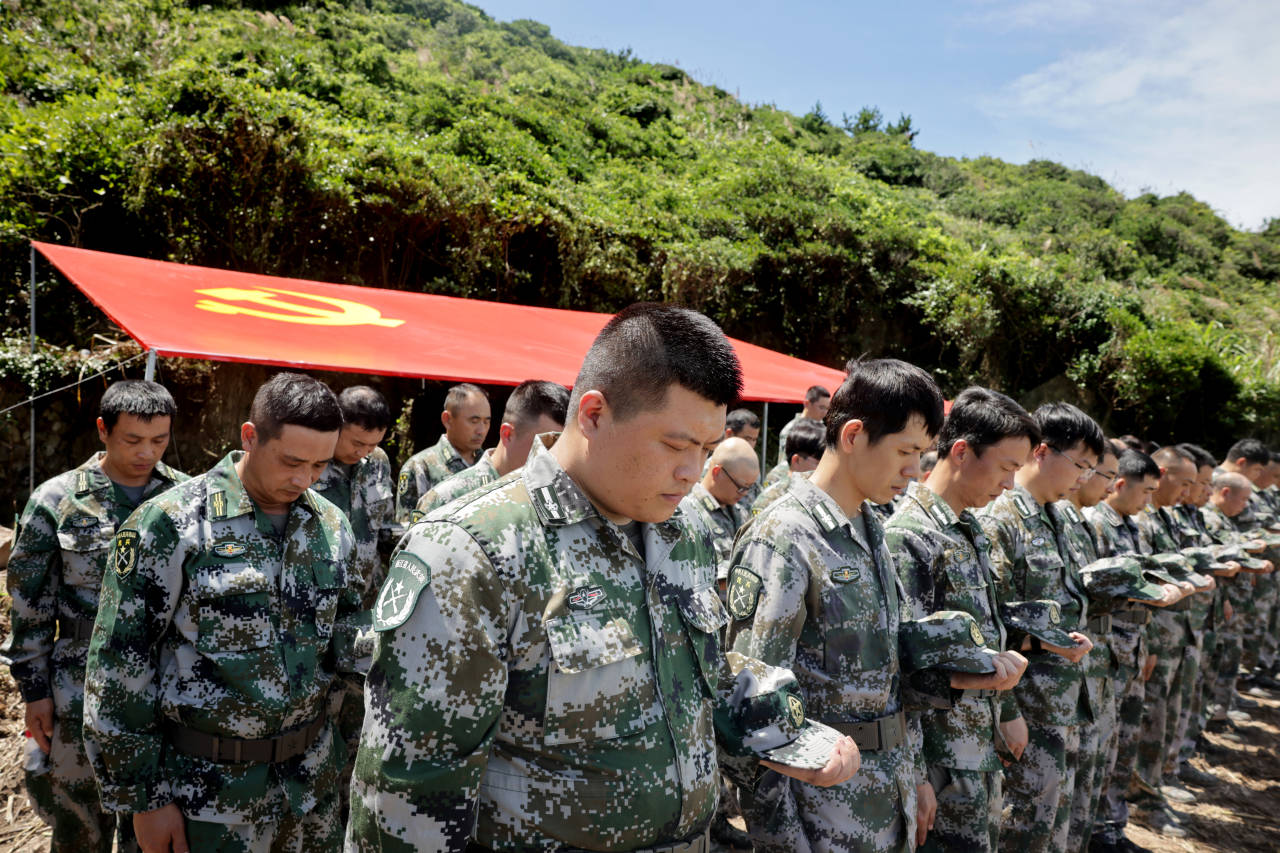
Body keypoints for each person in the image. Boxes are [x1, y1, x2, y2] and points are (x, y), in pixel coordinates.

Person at [348, 303, 859, 852]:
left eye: (706, 450)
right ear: (593, 415)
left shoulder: (680, 527)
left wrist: (789, 732)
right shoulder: (473, 550)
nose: (692, 471)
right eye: (676, 445)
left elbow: (696, 676)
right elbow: (409, 796)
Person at [727, 360, 1012, 852]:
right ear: (854, 435)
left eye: (921, 454)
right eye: (905, 451)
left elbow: (889, 674)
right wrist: (781, 842)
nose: (914, 469)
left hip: (887, 794)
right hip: (821, 814)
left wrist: (915, 774)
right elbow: (754, 711)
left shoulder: (869, 528)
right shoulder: (785, 537)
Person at [83, 372, 364, 852]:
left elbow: (346, 641)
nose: (304, 479)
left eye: (320, 465)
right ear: (250, 437)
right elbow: (118, 665)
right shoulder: (171, 523)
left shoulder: (331, 525)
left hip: (307, 793)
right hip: (202, 799)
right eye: (291, 462)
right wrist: (144, 799)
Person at [1, 380, 187, 853]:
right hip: (77, 687)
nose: (146, 453)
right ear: (103, 430)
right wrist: (35, 692)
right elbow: (29, 604)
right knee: (79, 825)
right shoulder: (57, 500)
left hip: (165, 686)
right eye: (132, 440)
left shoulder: (187, 498)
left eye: (159, 440)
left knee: (153, 823)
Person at [883, 386, 1038, 852]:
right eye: (1007, 467)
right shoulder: (910, 536)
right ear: (962, 452)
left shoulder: (968, 528)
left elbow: (983, 637)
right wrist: (915, 775)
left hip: (974, 748)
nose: (1010, 484)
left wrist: (1006, 710)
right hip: (939, 761)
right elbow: (899, 669)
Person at [978, 402, 1099, 853]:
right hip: (1026, 703)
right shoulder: (1002, 519)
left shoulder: (1059, 517)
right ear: (1043, 452)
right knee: (1022, 825)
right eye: (1080, 464)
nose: (1085, 477)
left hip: (1063, 699)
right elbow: (988, 624)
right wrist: (1008, 708)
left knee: (1054, 821)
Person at [1084, 449, 1185, 853]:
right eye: (1145, 492)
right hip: (1105, 649)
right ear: (1121, 484)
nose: (1148, 500)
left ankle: (1113, 825)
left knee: (1124, 743)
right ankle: (1096, 829)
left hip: (1133, 646)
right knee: (1102, 744)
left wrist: (1151, 644)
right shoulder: (1095, 524)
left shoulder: (1135, 526)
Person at [413, 379, 568, 519]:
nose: (553, 457)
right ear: (507, 434)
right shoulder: (445, 499)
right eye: (545, 444)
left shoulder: (555, 498)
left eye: (560, 446)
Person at [314, 386, 395, 604]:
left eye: (373, 445)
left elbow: (386, 527)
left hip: (367, 595)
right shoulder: (310, 462)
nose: (362, 452)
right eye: (357, 443)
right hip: (320, 597)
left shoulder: (378, 461)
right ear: (336, 426)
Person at [394, 383, 491, 523]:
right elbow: (407, 529)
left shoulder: (489, 464)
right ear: (447, 420)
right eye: (474, 421)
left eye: (486, 422)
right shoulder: (420, 467)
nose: (481, 430)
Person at [679, 436, 758, 582]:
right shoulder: (690, 514)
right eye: (741, 487)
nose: (745, 493)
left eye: (749, 488)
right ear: (717, 472)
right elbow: (714, 578)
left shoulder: (739, 511)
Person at [755, 418, 825, 505]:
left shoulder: (822, 494)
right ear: (797, 460)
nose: (824, 470)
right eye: (818, 464)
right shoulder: (770, 499)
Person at [774, 385, 829, 467]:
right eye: (821, 407)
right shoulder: (791, 430)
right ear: (807, 404)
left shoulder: (824, 429)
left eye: (827, 408)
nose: (825, 413)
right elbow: (785, 465)